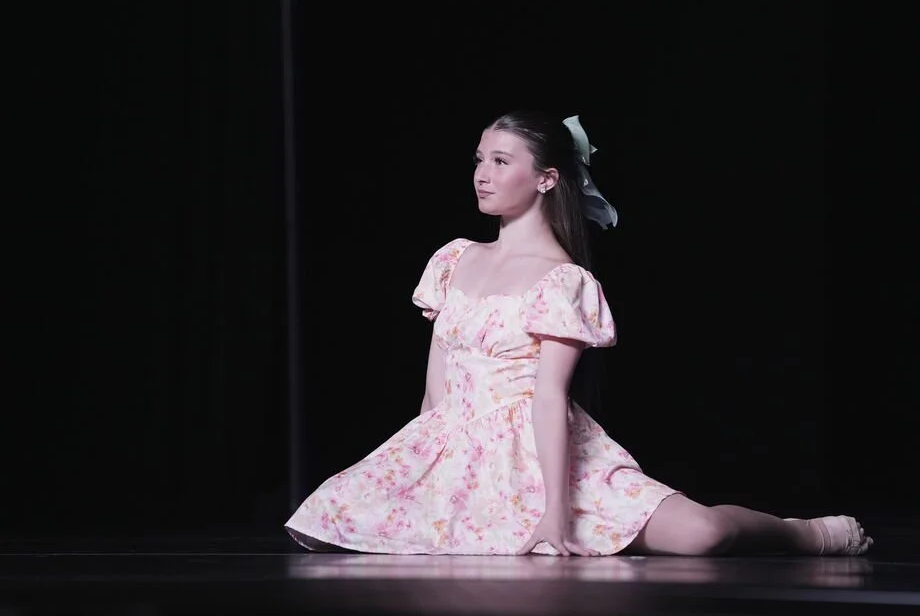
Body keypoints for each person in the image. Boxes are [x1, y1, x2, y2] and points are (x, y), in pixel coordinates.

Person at [284, 110, 873, 557]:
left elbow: (547, 398)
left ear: (545, 179)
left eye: (501, 161)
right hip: (457, 447)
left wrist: (554, 513)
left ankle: (802, 534)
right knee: (337, 518)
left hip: (542, 451)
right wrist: (421, 470)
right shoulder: (452, 259)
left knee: (700, 534)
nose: (482, 175)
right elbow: (435, 392)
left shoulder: (561, 281)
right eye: (479, 160)